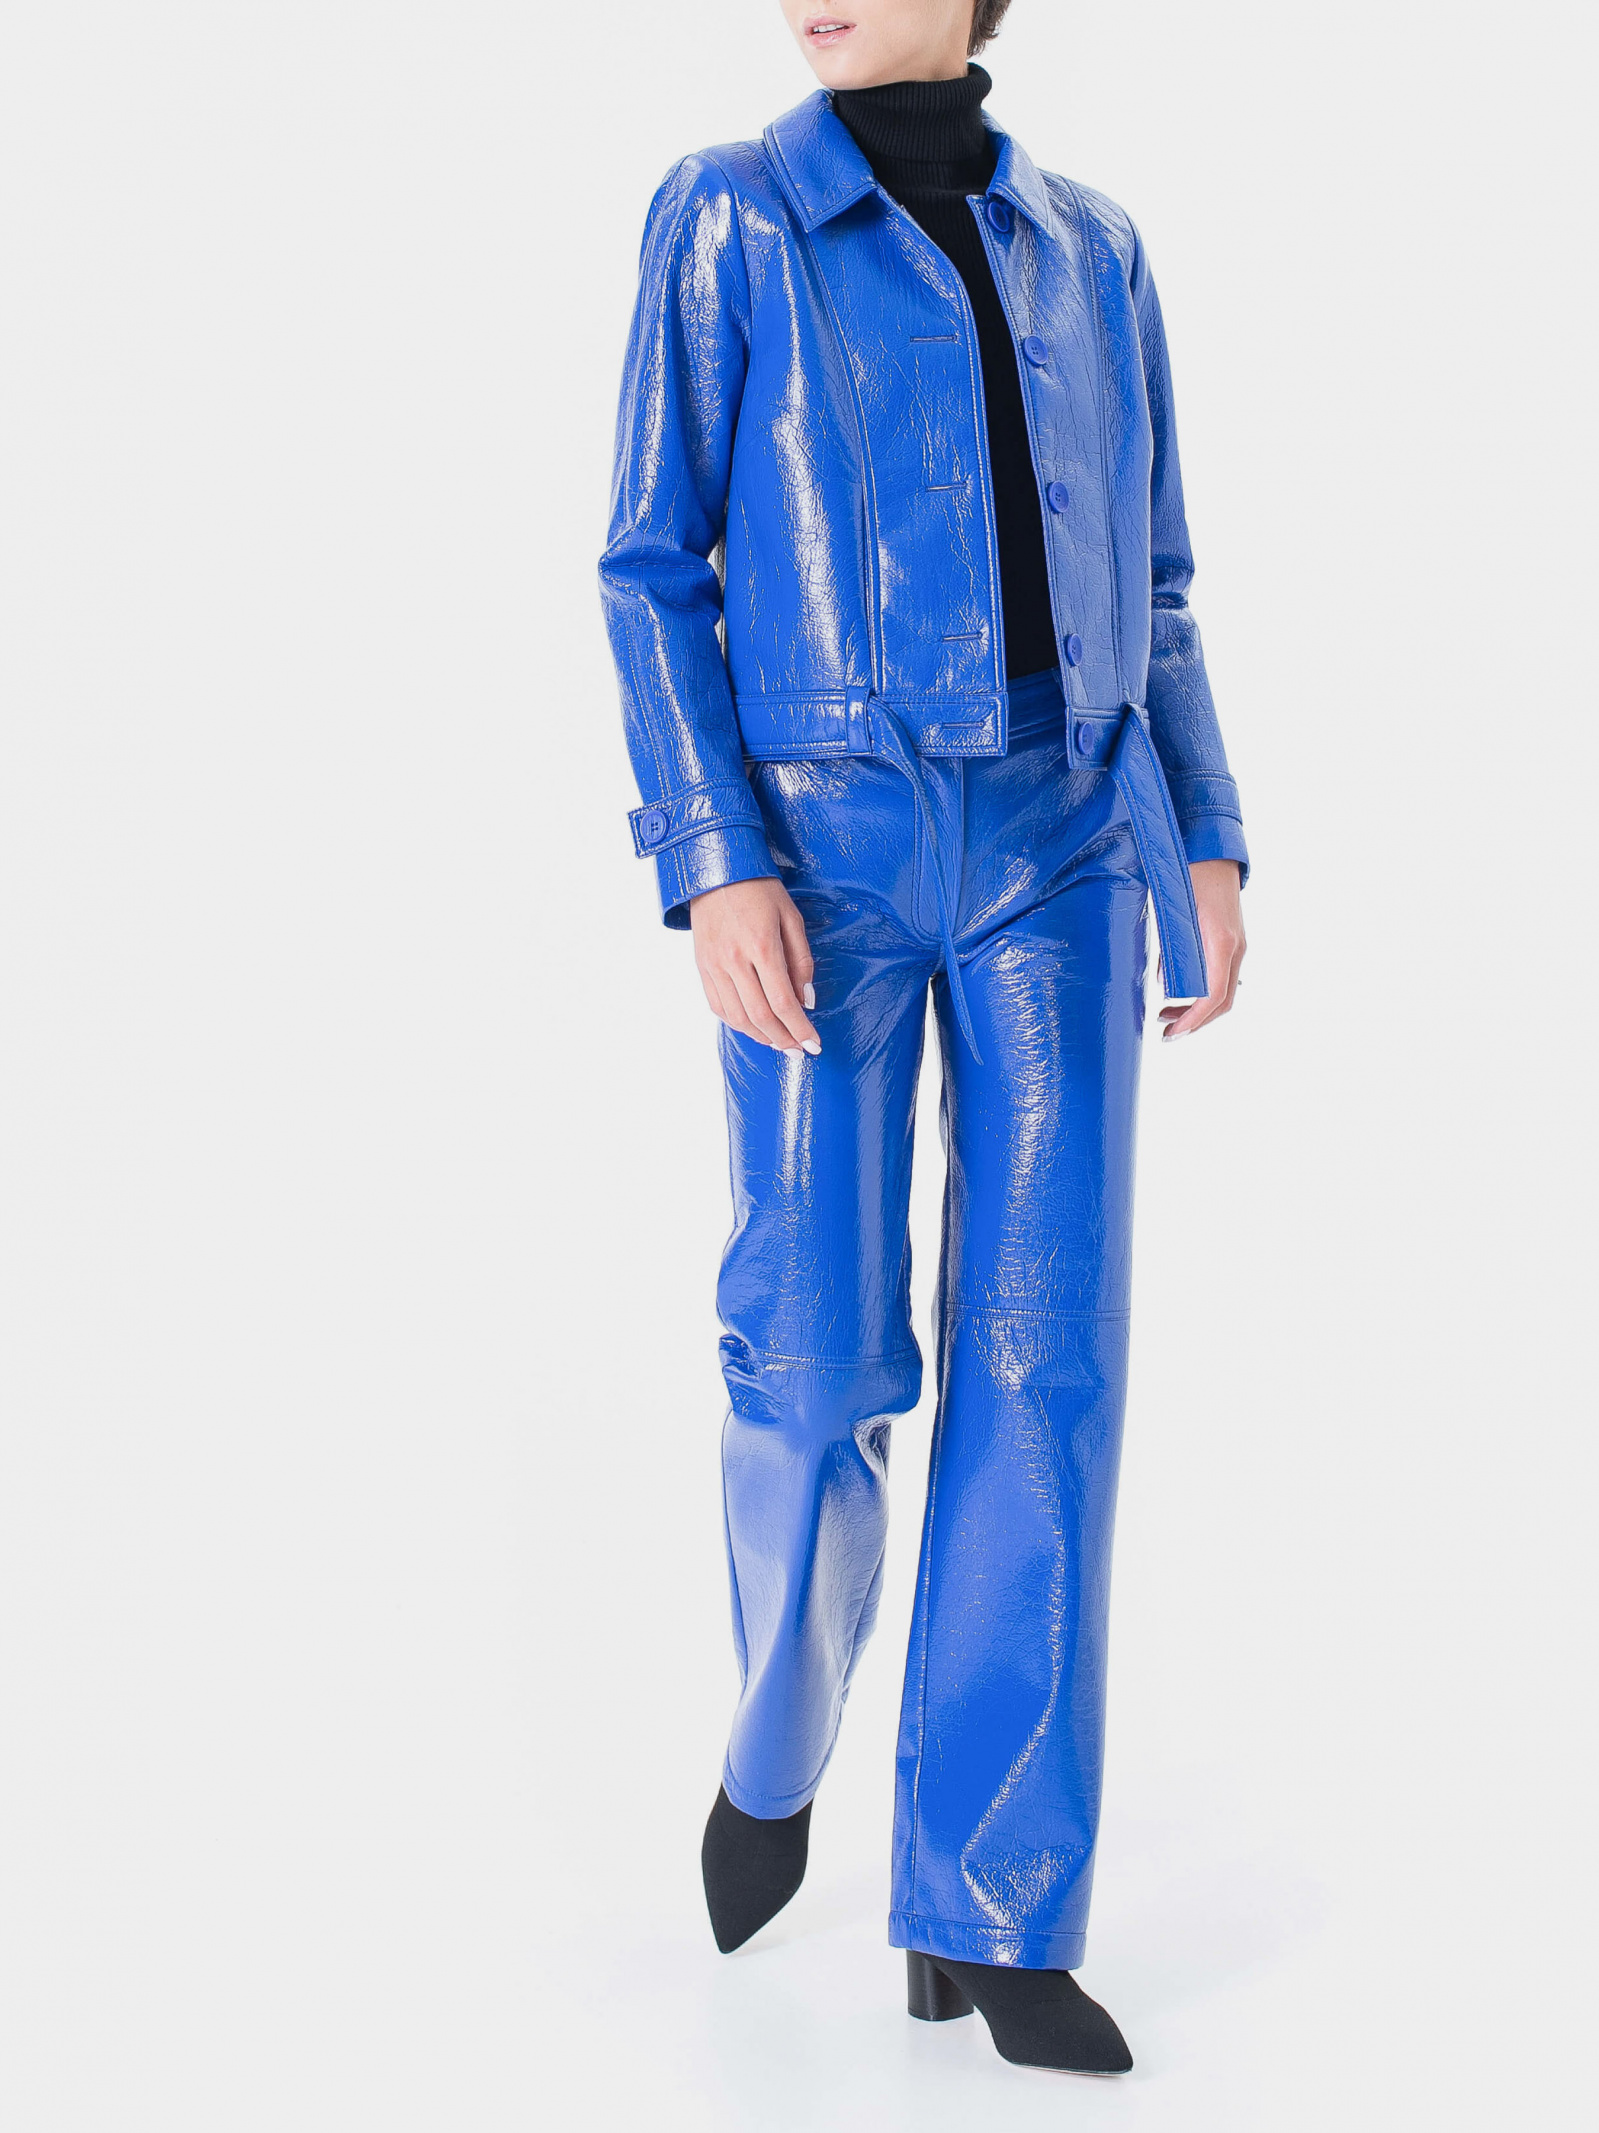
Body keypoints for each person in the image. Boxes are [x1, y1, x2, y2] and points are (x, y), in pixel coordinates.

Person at [599, 0, 1247, 2076]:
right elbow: (652, 569)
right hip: (823, 857)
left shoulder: (1094, 248)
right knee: (809, 1355)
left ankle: (990, 1905)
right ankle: (778, 1734)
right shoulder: (726, 220)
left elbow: (1152, 579)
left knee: (1047, 1363)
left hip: (1064, 847)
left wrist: (1204, 833)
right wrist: (714, 854)